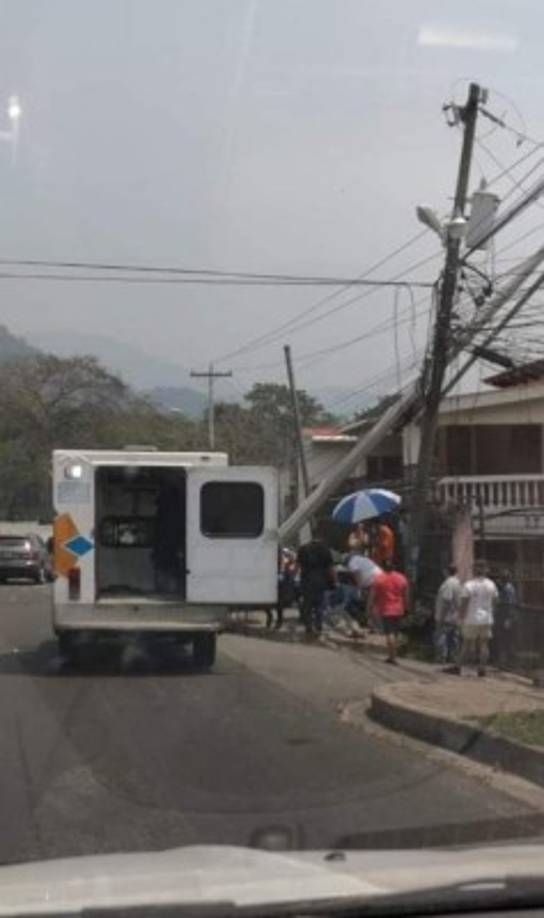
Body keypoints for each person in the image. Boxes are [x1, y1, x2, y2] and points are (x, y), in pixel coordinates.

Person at [453, 560, 499, 677]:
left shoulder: (469, 585)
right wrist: (490, 611)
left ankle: (458, 666)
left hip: (471, 618)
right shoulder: (491, 584)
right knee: (484, 644)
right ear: (485, 570)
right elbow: (495, 600)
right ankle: (482, 668)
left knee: (467, 643)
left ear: (474, 570)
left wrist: (460, 618)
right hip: (487, 618)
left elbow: (464, 603)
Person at [368, 559, 409, 664]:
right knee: (394, 633)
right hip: (399, 609)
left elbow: (372, 596)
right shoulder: (401, 578)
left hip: (386, 610)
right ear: (393, 567)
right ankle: (393, 654)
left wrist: (369, 608)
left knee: (389, 633)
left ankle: (392, 657)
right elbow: (406, 595)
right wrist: (407, 607)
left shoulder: (379, 579)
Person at [296, 536, 336, 637]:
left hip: (306, 579)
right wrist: (335, 581)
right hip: (321, 580)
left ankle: (309, 627)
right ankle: (318, 626)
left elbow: (298, 566)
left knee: (307, 604)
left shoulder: (303, 549)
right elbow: (331, 568)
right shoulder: (325, 550)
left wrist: (293, 575)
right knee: (319, 604)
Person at [434, 564, 462, 665]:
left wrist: (441, 616)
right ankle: (454, 657)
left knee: (442, 636)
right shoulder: (458, 583)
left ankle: (442, 657)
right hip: (454, 616)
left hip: (446, 617)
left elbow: (447, 600)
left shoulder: (448, 584)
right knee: (454, 638)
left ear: (446, 571)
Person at [492, 569, 518, 666]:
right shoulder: (503, 588)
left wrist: (509, 619)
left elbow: (510, 605)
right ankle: (502, 661)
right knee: (501, 639)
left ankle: (506, 662)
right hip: (501, 616)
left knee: (505, 640)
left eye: (503, 577)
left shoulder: (508, 588)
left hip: (506, 617)